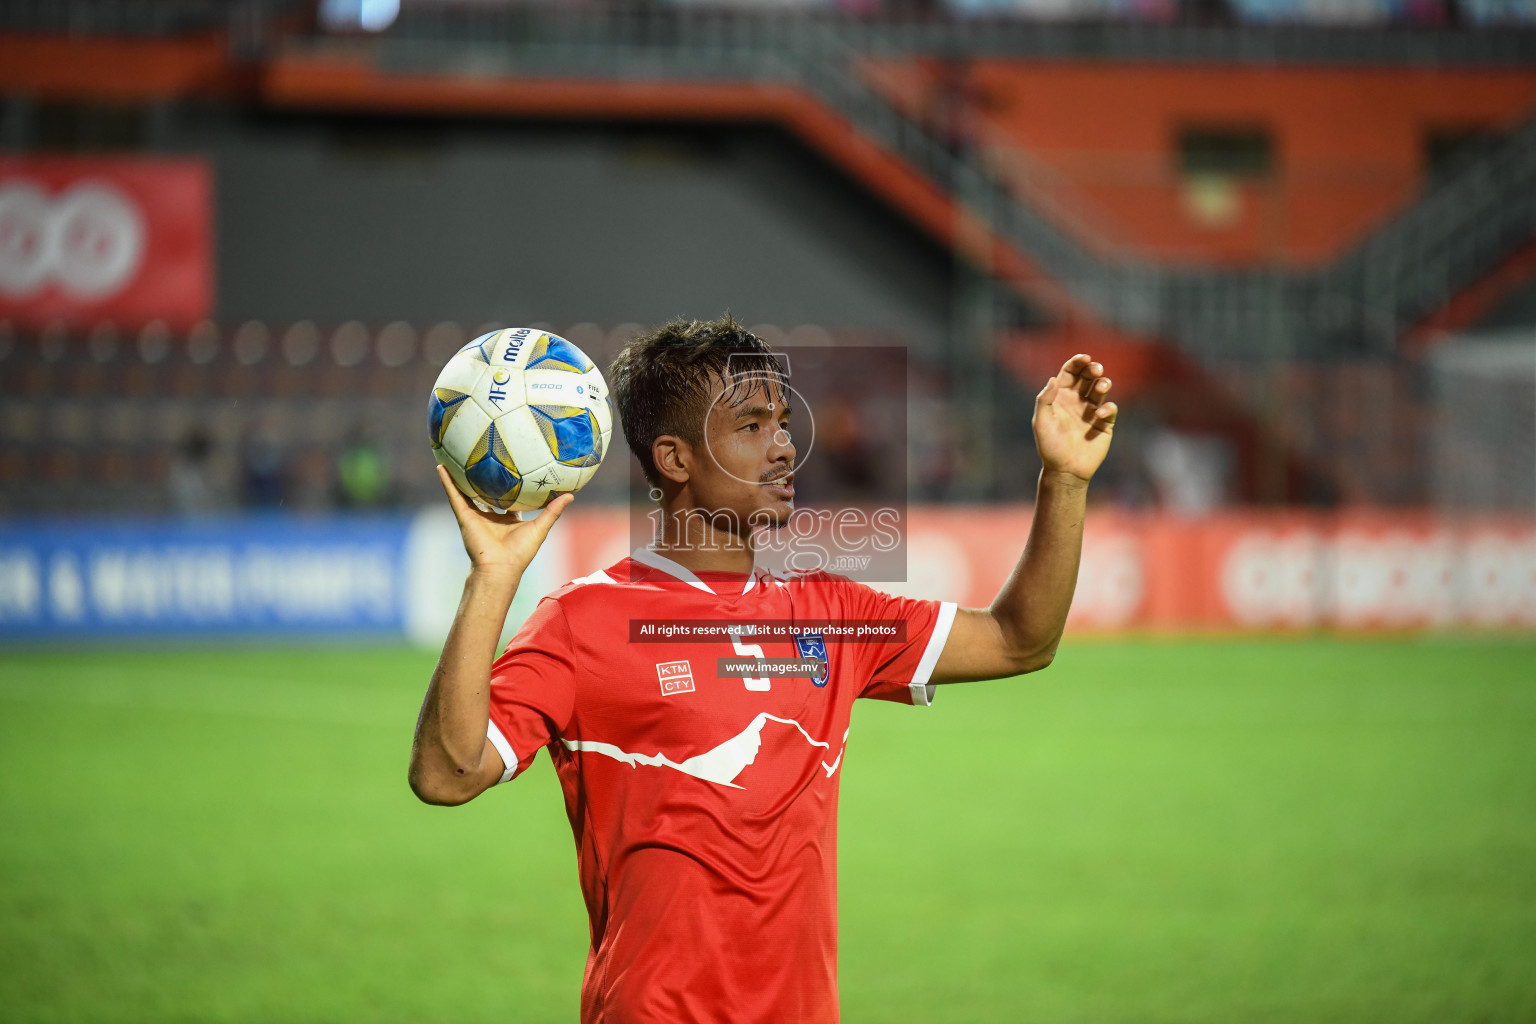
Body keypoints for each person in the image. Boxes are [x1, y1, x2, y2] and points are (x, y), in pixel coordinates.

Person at [408, 315, 1118, 1024]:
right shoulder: (582, 622)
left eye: (781, 421)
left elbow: (1020, 640)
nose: (783, 447)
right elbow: (447, 773)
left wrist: (1064, 479)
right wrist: (495, 575)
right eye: (751, 426)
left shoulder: (833, 615)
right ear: (675, 459)